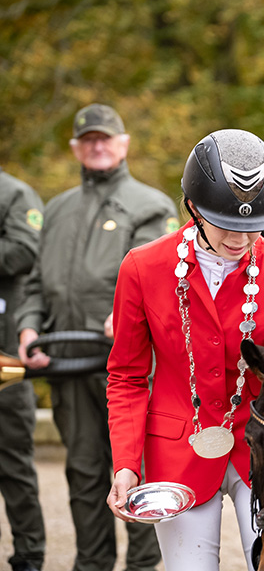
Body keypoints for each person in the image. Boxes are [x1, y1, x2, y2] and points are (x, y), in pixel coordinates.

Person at [105, 129, 264, 571]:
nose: (241, 241)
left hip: (261, 447)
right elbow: (127, 376)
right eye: (228, 226)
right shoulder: (141, 268)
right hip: (177, 452)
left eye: (254, 229)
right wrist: (124, 463)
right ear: (194, 208)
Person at [16, 103, 176, 571]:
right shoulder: (57, 208)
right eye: (88, 139)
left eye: (106, 137)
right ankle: (91, 565)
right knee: (83, 474)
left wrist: (123, 315)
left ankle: (144, 567)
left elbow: (162, 281)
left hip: (125, 370)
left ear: (124, 144)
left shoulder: (151, 206)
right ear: (75, 149)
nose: (98, 145)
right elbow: (32, 284)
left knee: (135, 475)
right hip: (66, 367)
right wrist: (28, 325)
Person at [0, 166, 46, 571]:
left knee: (12, 460)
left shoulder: (14, 192)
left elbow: (23, 250)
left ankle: (29, 554)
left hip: (4, 354)